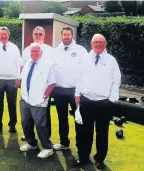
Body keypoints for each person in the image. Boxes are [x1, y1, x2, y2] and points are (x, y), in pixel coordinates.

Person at [74, 34, 121, 170]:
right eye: (96, 42)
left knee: (102, 132)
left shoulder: (111, 60)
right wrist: (77, 95)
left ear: (105, 44)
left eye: (101, 42)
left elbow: (116, 80)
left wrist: (111, 99)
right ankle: (83, 157)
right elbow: (79, 78)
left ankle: (99, 159)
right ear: (91, 44)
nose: (98, 44)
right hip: (86, 100)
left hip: (103, 103)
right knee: (84, 132)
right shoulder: (84, 58)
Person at [52, 27, 88, 151]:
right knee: (62, 118)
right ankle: (64, 142)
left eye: (69, 34)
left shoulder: (80, 50)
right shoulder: (56, 51)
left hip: (75, 91)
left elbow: (86, 70)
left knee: (79, 118)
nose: (66, 37)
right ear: (61, 36)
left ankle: (81, 146)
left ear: (72, 36)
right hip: (59, 90)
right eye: (64, 35)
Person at [19, 43, 56, 159]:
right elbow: (23, 79)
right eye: (32, 51)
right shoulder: (28, 63)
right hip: (25, 100)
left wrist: (44, 97)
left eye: (36, 51)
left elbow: (52, 83)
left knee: (40, 125)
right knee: (26, 123)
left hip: (39, 101)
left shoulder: (47, 64)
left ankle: (47, 147)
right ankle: (31, 143)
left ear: (41, 52)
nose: (34, 53)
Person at [20, 26, 54, 141]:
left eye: (40, 34)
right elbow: (22, 67)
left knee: (44, 114)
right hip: (29, 89)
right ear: (32, 35)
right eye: (36, 34)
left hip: (43, 89)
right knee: (28, 115)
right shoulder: (26, 50)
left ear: (44, 36)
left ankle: (46, 136)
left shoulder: (50, 50)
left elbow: (53, 69)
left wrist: (47, 91)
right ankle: (29, 135)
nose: (38, 36)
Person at [0, 26, 21, 134]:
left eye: (5, 34)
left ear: (8, 34)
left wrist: (18, 77)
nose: (3, 36)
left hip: (12, 80)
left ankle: (12, 125)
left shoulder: (14, 47)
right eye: (1, 34)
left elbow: (18, 64)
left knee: (12, 103)